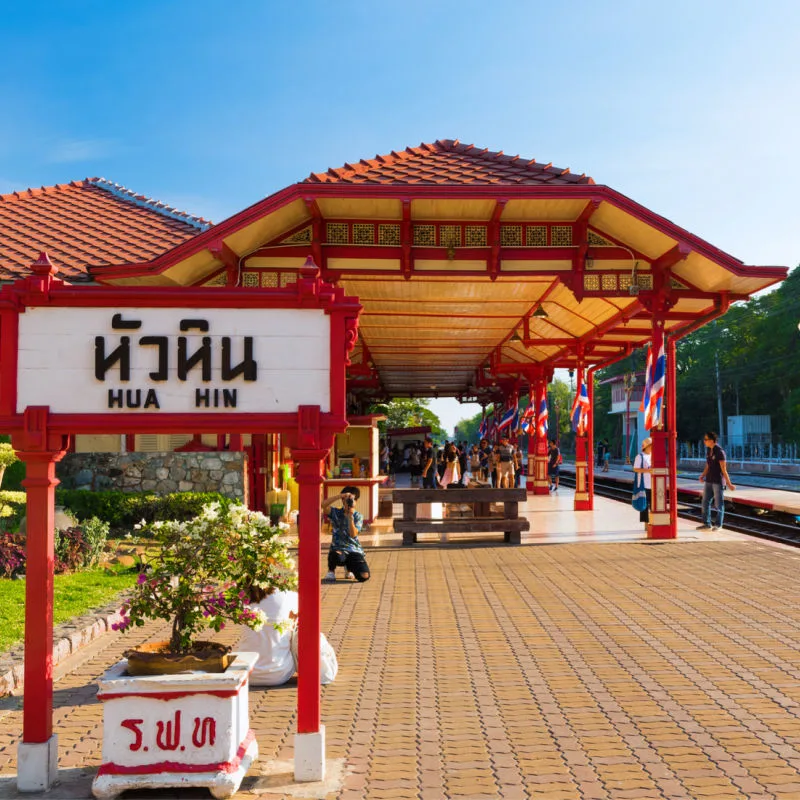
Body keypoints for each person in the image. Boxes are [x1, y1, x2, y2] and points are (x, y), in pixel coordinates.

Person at [238, 586, 338, 686]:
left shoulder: (243, 597)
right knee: (303, 631)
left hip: (247, 674)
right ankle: (324, 670)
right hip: (279, 674)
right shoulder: (288, 594)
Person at [322, 486, 370, 582]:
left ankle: (349, 568)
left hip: (354, 550)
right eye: (345, 500)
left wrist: (350, 518)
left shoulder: (358, 516)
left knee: (364, 576)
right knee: (336, 555)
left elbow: (353, 535)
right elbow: (323, 505)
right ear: (342, 500)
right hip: (338, 549)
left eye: (352, 500)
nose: (348, 502)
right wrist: (340, 496)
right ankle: (331, 571)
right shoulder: (335, 512)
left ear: (356, 501)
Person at [697, 431, 736, 531]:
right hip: (709, 480)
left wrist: (729, 483)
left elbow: (724, 469)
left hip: (717, 481)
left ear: (711, 440)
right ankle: (706, 523)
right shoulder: (709, 451)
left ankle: (718, 525)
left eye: (705, 439)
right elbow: (708, 465)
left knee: (718, 504)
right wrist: (702, 475)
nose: (704, 441)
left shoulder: (720, 452)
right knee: (705, 502)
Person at [632, 437, 653, 532]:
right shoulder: (640, 456)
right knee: (644, 505)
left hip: (652, 484)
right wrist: (647, 470)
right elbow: (635, 469)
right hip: (643, 484)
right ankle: (645, 524)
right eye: (651, 446)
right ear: (646, 446)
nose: (652, 447)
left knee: (653, 504)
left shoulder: (653, 455)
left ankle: (652, 522)